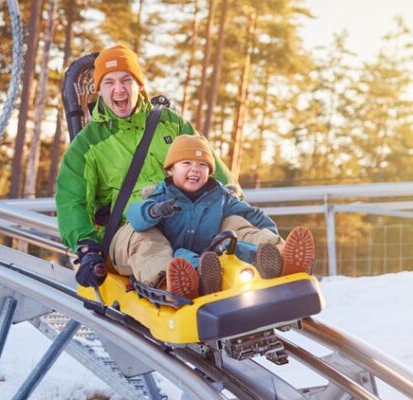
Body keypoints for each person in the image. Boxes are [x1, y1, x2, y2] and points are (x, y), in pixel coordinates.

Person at [55, 44, 236, 291]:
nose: (118, 89)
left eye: (125, 80)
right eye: (109, 83)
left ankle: (274, 257)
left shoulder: (169, 123)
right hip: (131, 228)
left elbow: (208, 163)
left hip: (187, 216)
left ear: (139, 85)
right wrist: (86, 246)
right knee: (147, 243)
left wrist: (233, 200)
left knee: (234, 224)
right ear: (99, 90)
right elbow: (71, 201)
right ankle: (175, 283)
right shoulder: (87, 144)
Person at [126, 135, 316, 299]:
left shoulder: (220, 197)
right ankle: (187, 284)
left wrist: (270, 235)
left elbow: (252, 216)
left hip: (215, 255)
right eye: (186, 163)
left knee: (237, 228)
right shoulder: (161, 198)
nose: (195, 169)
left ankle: (281, 257)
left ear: (209, 173)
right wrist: (155, 211)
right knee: (180, 259)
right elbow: (135, 216)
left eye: (202, 165)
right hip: (180, 258)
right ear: (170, 170)